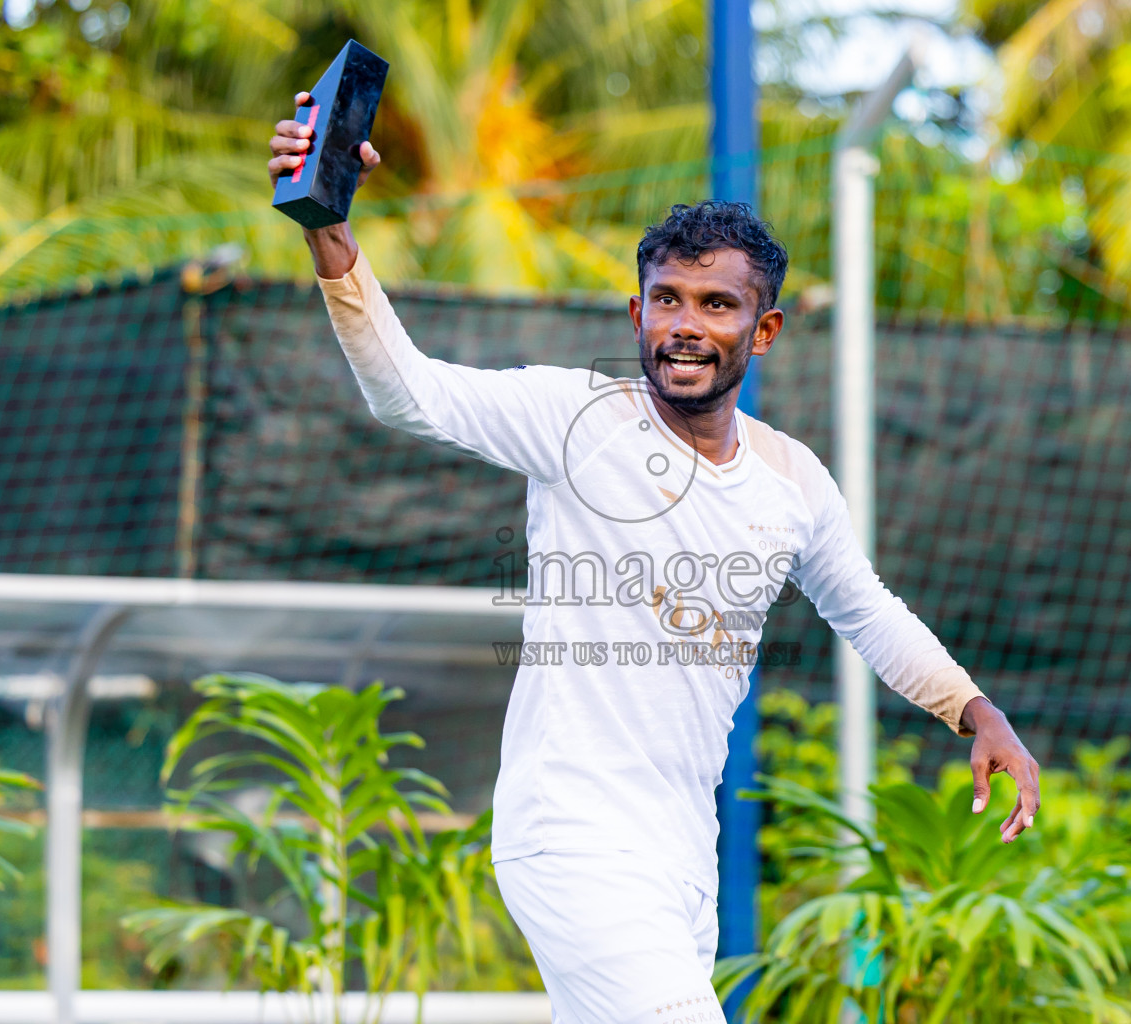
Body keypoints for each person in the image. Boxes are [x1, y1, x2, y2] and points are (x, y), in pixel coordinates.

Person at [268, 94, 1041, 1024]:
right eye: (667, 298)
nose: (685, 323)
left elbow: (866, 609)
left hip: (680, 856)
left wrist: (973, 709)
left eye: (716, 304)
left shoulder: (792, 479)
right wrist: (332, 233)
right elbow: (409, 394)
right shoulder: (574, 418)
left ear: (762, 331)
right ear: (638, 310)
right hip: (569, 835)